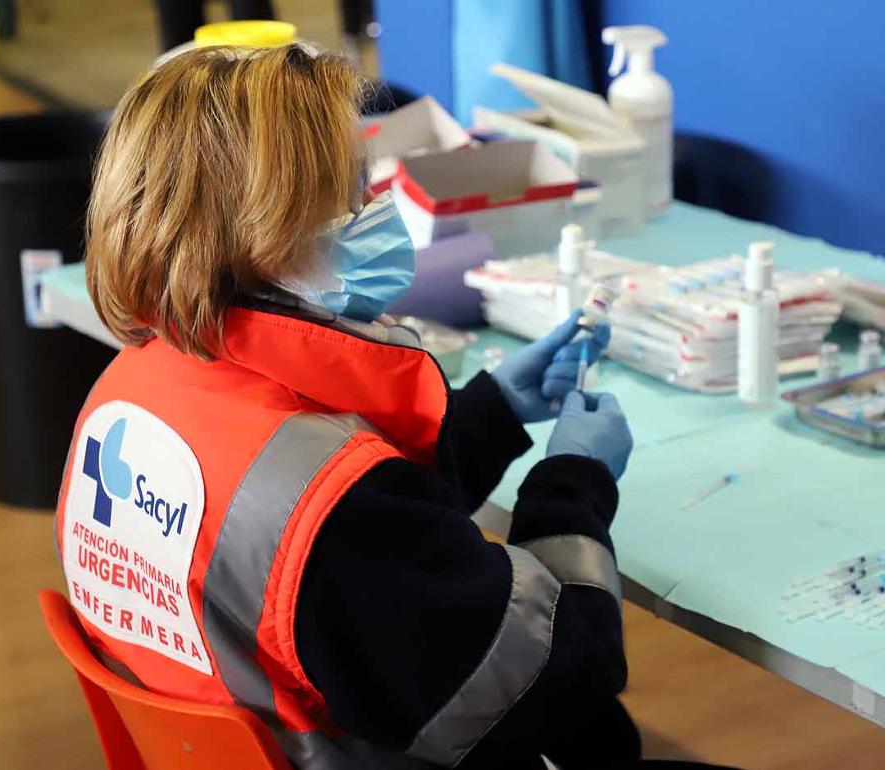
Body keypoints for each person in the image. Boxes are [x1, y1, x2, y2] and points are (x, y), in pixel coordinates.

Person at [56, 44, 727, 770]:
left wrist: (495, 411)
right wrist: (573, 481)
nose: (377, 210)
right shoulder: (337, 516)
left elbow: (361, 539)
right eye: (352, 191)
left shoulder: (128, 393)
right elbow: (554, 682)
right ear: (262, 229)